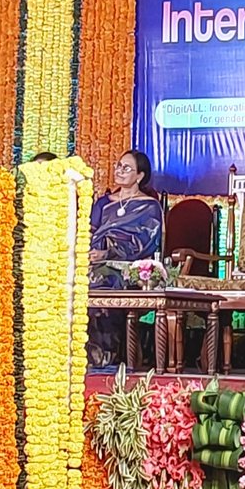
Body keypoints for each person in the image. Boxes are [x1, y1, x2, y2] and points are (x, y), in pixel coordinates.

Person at [86, 151, 166, 368]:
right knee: (76, 282)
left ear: (139, 176)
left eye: (126, 168)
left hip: (131, 268)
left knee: (103, 282)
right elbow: (88, 233)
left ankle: (105, 357)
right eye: (119, 166)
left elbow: (145, 244)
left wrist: (108, 253)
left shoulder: (149, 206)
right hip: (94, 263)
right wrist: (89, 253)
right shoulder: (104, 203)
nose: (119, 171)